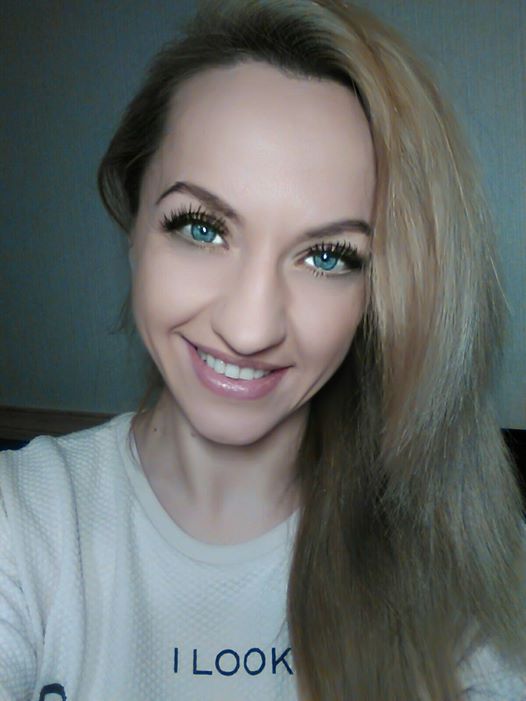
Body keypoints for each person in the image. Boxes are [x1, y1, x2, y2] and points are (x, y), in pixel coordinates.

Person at [1, 0, 525, 699]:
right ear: (134, 228)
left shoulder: (464, 567)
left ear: (381, 292)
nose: (250, 330)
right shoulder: (25, 520)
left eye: (328, 257)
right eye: (201, 228)